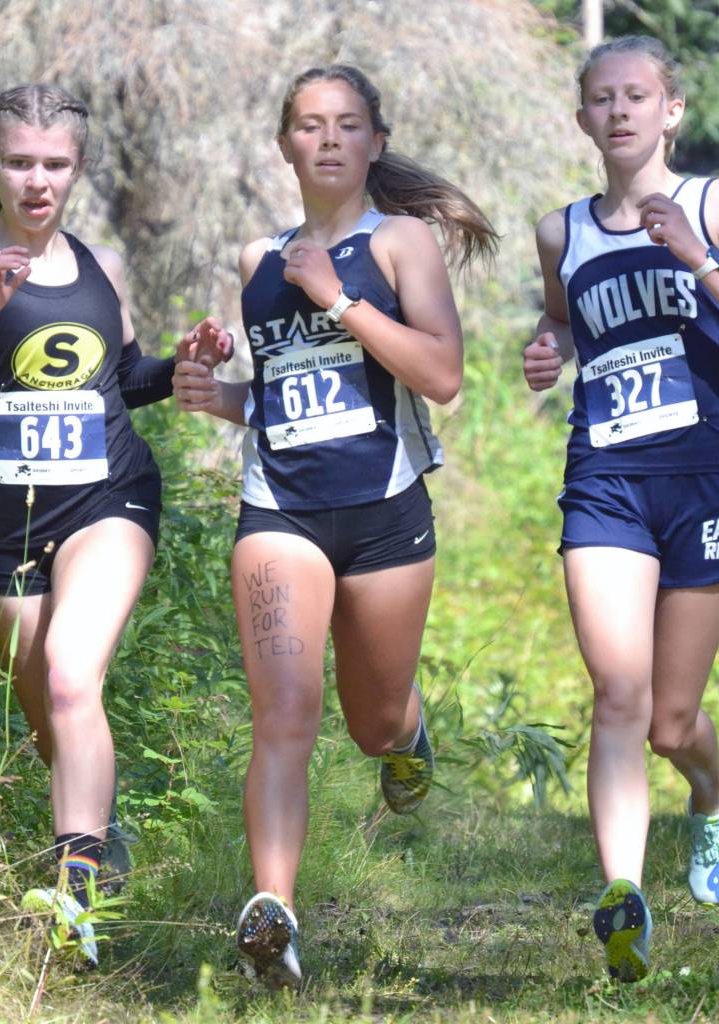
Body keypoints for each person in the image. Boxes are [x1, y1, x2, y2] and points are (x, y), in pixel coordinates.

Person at [0, 84, 231, 966]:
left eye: (55, 164)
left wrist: (186, 364)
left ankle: (71, 908)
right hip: (5, 522)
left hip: (110, 500)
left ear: (77, 169)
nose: (37, 180)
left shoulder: (99, 260)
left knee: (71, 681)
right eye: (20, 162)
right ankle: (102, 840)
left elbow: (123, 377)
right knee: (54, 720)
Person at [172, 64, 497, 989]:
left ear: (374, 144)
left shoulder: (399, 243)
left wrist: (337, 297)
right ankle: (271, 910)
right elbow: (288, 399)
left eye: (347, 124)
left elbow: (440, 377)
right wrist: (217, 395)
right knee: (285, 715)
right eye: (309, 125)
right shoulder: (256, 260)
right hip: (279, 511)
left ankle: (409, 731)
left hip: (387, 513)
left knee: (371, 721)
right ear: (284, 145)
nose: (326, 140)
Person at [522, 36, 719, 982]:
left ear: (671, 110)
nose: (622, 111)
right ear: (584, 117)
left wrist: (701, 259)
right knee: (619, 694)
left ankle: (710, 794)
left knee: (671, 721)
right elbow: (565, 319)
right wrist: (546, 348)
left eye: (639, 96)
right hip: (608, 480)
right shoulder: (561, 230)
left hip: (708, 476)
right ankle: (623, 896)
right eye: (604, 98)